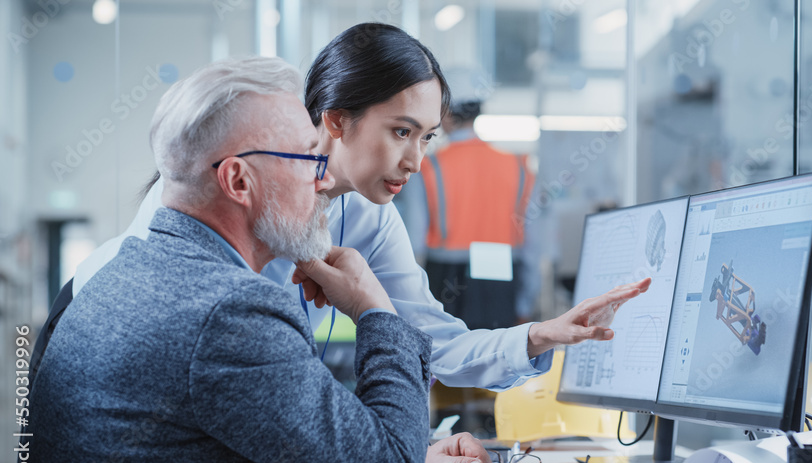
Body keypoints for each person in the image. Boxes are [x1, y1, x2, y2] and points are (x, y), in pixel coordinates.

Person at [7, 57, 485, 463]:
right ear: (238, 181)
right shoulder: (229, 313)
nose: (320, 180)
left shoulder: (135, 269)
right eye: (306, 159)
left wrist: (398, 456)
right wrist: (375, 313)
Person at [71, 22, 650, 393]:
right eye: (401, 131)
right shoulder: (224, 188)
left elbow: (430, 339)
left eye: (426, 138)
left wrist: (540, 335)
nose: (417, 160)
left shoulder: (370, 216)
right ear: (336, 120)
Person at [405, 97, 539, 330]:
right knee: (496, 355)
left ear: (446, 116)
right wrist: (525, 303)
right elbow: (533, 244)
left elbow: (413, 241)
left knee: (445, 358)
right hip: (500, 274)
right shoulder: (518, 165)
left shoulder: (428, 166)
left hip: (445, 276)